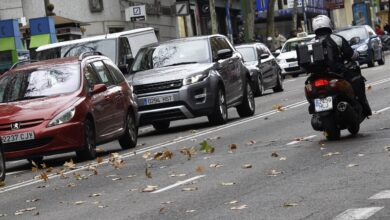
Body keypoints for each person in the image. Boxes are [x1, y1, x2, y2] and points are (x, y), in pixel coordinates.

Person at [311, 15, 372, 117]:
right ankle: (364, 108)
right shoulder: (337, 39)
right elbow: (350, 54)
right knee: (358, 80)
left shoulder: (311, 43)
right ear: (329, 24)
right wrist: (357, 55)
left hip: (317, 75)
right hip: (338, 72)